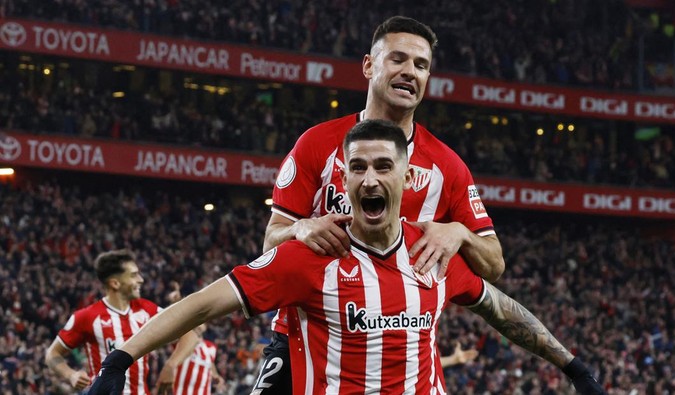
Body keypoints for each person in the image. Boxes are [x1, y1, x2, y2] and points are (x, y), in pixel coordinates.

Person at [87, 120, 604, 394]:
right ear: (345, 177)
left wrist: (573, 366)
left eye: (384, 166)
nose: (371, 178)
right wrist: (120, 358)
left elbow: (503, 310)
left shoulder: (434, 252)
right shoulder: (309, 256)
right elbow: (205, 303)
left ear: (407, 177)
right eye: (358, 167)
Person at [256, 15, 505, 393]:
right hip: (304, 338)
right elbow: (270, 244)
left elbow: (494, 263)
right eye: (398, 59)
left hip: (394, 350)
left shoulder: (447, 167)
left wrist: (460, 233)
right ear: (369, 65)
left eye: (421, 65)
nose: (410, 72)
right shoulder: (317, 143)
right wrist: (299, 227)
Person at [44, 249, 201, 394]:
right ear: (115, 283)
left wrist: (171, 365)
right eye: (133, 275)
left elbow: (191, 334)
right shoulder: (87, 317)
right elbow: (52, 354)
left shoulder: (147, 310)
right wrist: (71, 375)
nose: (141, 280)